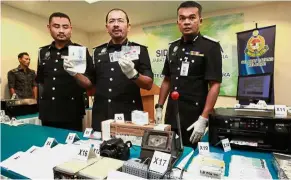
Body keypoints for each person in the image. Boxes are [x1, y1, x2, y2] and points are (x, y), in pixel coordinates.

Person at [64, 8, 153, 131]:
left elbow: (148, 84)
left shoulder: (139, 50)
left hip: (129, 116)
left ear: (128, 26)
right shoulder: (98, 52)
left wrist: (134, 74)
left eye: (120, 21)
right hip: (101, 115)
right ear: (107, 27)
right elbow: (89, 83)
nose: (116, 24)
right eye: (112, 21)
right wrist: (75, 73)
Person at [155, 1, 222, 147]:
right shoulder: (172, 47)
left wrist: (204, 118)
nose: (187, 22)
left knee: (191, 158)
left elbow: (215, 85)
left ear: (200, 21)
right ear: (178, 22)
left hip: (195, 117)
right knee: (169, 152)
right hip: (172, 113)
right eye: (182, 18)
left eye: (192, 18)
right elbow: (167, 79)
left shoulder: (210, 47)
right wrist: (159, 106)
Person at [36, 12, 93, 131]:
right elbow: (41, 82)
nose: (61, 30)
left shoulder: (80, 51)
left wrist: (75, 74)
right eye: (56, 26)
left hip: (71, 112)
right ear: (49, 28)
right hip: (48, 112)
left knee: (73, 147)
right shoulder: (42, 52)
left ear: (71, 29)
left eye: (65, 27)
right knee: (47, 147)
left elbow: (89, 84)